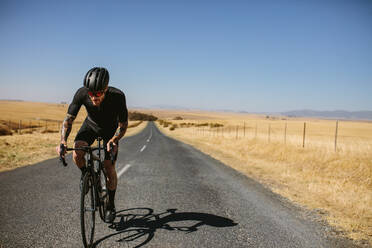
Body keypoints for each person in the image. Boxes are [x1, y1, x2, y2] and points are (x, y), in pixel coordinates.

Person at [57, 67, 128, 223]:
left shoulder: (118, 96)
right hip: (90, 125)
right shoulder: (82, 93)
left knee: (109, 166)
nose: (94, 97)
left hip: (110, 130)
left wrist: (114, 140)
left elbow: (123, 125)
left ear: (106, 89)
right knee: (77, 153)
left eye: (98, 93)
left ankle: (110, 205)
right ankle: (86, 174)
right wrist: (63, 141)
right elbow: (68, 120)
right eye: (91, 93)